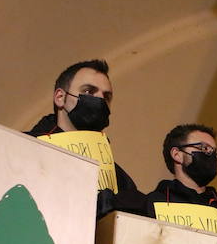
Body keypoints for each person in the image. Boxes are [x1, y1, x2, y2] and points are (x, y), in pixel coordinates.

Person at [26, 58, 145, 217]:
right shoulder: (25, 148)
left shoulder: (119, 177)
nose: (100, 99)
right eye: (89, 91)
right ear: (60, 97)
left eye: (107, 96)